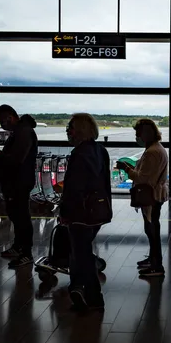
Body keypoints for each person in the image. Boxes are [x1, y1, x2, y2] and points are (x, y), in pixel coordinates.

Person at [60, 113, 112, 311]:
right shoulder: (100, 151)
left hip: (80, 213)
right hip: (97, 211)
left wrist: (65, 212)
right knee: (82, 252)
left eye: (70, 128)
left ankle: (91, 295)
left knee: (80, 254)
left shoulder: (79, 155)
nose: (68, 132)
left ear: (79, 131)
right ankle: (81, 290)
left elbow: (74, 188)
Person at [117, 119, 168, 277]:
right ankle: (153, 259)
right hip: (156, 193)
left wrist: (126, 168)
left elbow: (142, 179)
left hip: (151, 196)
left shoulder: (152, 152)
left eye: (138, 133)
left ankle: (156, 265)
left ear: (146, 134)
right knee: (151, 228)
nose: (137, 136)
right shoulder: (156, 148)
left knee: (152, 230)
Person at [0, 104, 38, 268]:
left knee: (21, 216)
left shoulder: (23, 132)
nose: (2, 125)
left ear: (10, 117)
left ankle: (26, 252)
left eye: (2, 122)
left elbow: (17, 158)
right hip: (18, 180)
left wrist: (1, 157)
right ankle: (19, 247)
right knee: (16, 215)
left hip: (19, 180)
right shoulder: (21, 131)